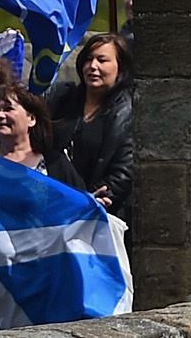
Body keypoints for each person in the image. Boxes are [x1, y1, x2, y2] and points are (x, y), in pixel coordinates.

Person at [46, 32, 134, 217]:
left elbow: (123, 173)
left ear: (120, 68)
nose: (93, 66)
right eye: (88, 59)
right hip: (53, 209)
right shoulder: (62, 98)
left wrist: (88, 201)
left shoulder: (127, 114)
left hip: (96, 215)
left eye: (102, 60)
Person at [0, 86, 79, 185]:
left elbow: (80, 198)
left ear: (31, 119)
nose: (0, 115)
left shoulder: (56, 164)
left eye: (8, 109)